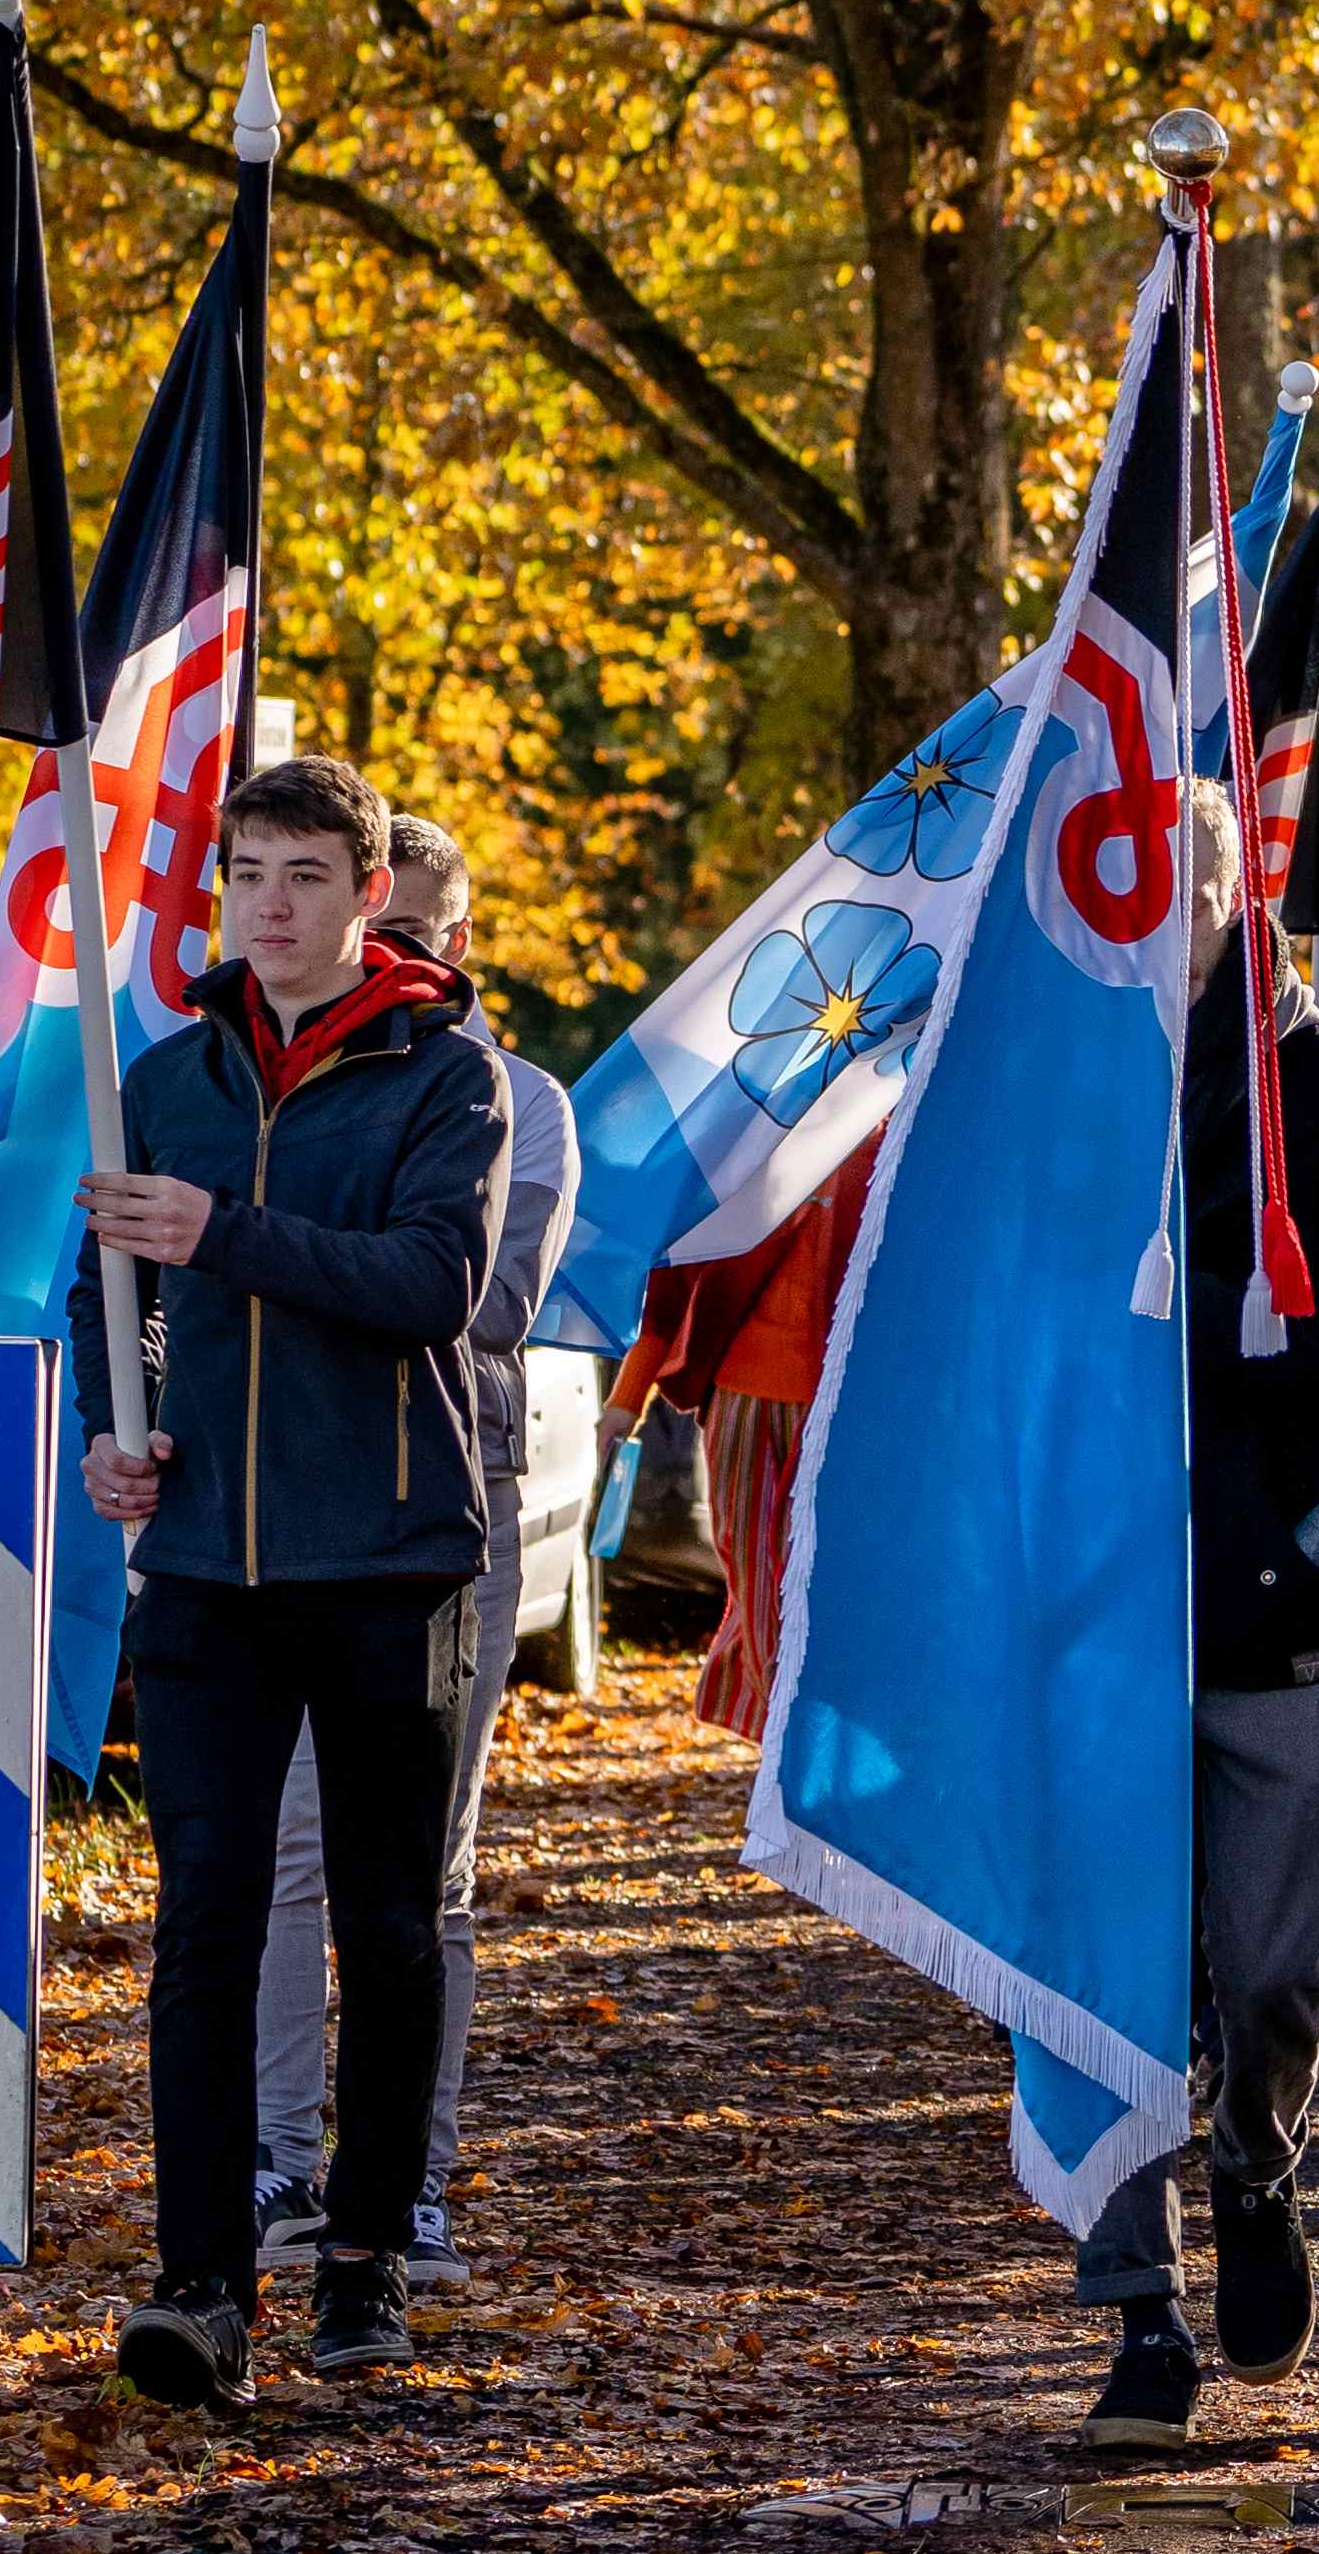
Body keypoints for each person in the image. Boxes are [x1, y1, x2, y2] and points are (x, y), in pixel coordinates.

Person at [75, 754, 512, 2405]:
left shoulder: (441, 1074)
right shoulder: (164, 1078)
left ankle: (367, 2259)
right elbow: (109, 1288)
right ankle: (201, 2285)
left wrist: (225, 1231)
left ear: (369, 891)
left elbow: (430, 1283)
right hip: (202, 1569)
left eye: (307, 873)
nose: (271, 899)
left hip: (393, 1564)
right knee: (205, 1921)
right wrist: (115, 1435)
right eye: (249, 868)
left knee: (389, 1925)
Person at [1078, 792, 1319, 2453]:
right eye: (1133, 871)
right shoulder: (1054, 1088)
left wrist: (1196, 1322)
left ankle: (1257, 2167)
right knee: (1110, 1980)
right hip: (1093, 1609)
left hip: (1281, 1597)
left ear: (1238, 883)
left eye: (1192, 873)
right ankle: (1139, 2309)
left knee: (1275, 1968)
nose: (1166, 903)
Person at [247, 816, 580, 2292]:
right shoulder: (262, 1089)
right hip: (287, 1505)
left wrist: (281, 1250)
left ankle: (415, 2181)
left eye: (430, 936)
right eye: (394, 934)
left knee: (425, 1868)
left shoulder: (525, 1103)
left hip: (455, 1504)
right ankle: (277, 2162)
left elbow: (472, 1298)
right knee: (289, 1856)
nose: (406, 961)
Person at [611, 1126, 881, 1744]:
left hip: (852, 1409)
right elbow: (672, 1284)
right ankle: (788, 1765)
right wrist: (624, 1403)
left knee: (834, 1597)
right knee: (761, 1591)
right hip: (745, 1400)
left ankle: (816, 1769)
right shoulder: (750, 1142)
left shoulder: (896, 1143)